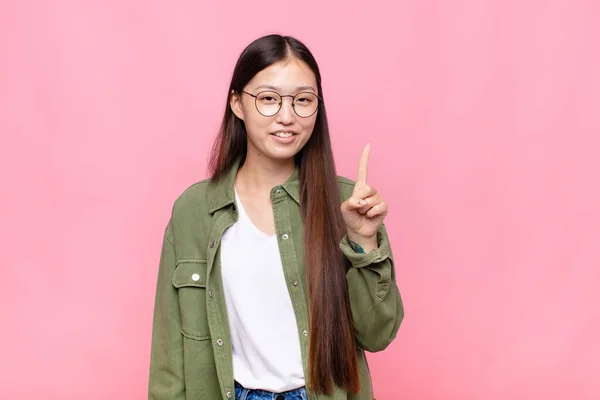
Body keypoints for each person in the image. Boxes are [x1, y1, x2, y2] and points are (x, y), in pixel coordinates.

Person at [148, 34, 404, 400]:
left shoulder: (348, 204)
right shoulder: (193, 211)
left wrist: (363, 243)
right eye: (268, 99)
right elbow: (169, 358)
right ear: (238, 103)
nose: (287, 116)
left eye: (303, 101)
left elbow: (377, 335)